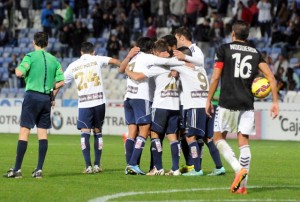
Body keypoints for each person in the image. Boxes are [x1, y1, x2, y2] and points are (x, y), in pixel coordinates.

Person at [205, 20, 279, 194]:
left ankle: (238, 169)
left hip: (227, 102)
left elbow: (215, 78)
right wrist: (275, 102)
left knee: (217, 139)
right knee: (243, 143)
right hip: (247, 103)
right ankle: (243, 187)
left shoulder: (224, 49)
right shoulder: (255, 52)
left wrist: (208, 99)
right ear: (247, 36)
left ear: (233, 33)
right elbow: (271, 77)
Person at [3, 32, 65, 178]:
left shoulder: (30, 56)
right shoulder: (54, 60)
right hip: (46, 99)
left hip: (32, 97)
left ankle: (17, 170)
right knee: (42, 134)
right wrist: (51, 88)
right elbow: (61, 82)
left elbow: (18, 72)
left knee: (24, 131)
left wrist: (24, 72)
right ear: (47, 44)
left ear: (34, 42)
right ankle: (38, 170)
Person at [125, 40, 181, 176]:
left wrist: (126, 69)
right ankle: (175, 169)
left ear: (157, 52)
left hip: (160, 105)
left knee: (154, 134)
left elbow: (138, 76)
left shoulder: (157, 66)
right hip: (175, 105)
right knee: (172, 137)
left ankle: (157, 168)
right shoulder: (177, 65)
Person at [64, 42, 121, 174]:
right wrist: (126, 69)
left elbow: (61, 81)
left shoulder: (74, 65)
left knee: (85, 133)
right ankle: (97, 165)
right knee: (97, 132)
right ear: (93, 51)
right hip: (99, 102)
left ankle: (88, 166)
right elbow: (115, 61)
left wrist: (52, 94)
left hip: (84, 103)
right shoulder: (97, 59)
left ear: (81, 52)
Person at [172, 46, 225, 176]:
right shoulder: (201, 68)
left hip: (195, 106)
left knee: (190, 137)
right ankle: (219, 167)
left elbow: (169, 67)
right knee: (208, 138)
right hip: (208, 105)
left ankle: (196, 169)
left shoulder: (182, 67)